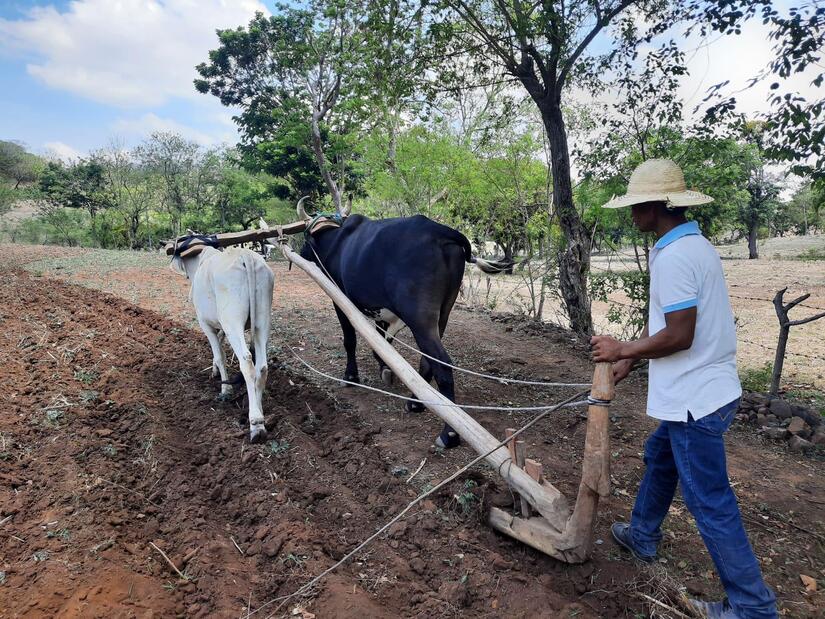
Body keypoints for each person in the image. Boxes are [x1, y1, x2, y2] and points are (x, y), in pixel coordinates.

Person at [590, 159, 778, 619]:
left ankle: (753, 607)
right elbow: (672, 326)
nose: (631, 215)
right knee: (660, 457)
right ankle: (643, 534)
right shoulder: (692, 246)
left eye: (636, 207)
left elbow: (680, 335)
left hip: (696, 398)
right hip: (706, 389)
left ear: (656, 206)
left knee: (709, 501)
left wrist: (620, 349)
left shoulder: (675, 256)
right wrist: (634, 357)